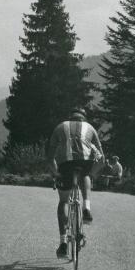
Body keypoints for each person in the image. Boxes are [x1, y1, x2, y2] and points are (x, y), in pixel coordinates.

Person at [47, 109, 104, 258]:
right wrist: (93, 174)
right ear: (83, 119)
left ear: (70, 118)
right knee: (86, 174)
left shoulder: (60, 126)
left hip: (65, 164)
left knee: (63, 202)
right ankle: (86, 207)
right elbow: (102, 158)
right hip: (85, 162)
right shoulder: (90, 127)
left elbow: (50, 156)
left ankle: (63, 243)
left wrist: (55, 173)